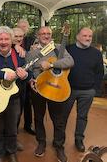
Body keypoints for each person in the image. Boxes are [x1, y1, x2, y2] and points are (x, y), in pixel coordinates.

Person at [0, 26, 31, 162]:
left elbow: (29, 74)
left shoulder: (18, 55)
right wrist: (3, 74)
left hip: (13, 99)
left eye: (6, 39)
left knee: (12, 129)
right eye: (0, 39)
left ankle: (11, 151)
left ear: (11, 40)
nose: (3, 42)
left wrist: (25, 75)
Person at [26, 26, 74, 162]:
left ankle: (59, 146)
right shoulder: (33, 51)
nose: (46, 36)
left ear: (52, 35)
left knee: (58, 120)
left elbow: (70, 61)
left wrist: (52, 65)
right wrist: (30, 80)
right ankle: (41, 143)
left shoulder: (59, 47)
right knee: (39, 118)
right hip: (38, 88)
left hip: (57, 88)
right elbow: (27, 68)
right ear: (38, 35)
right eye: (43, 33)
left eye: (48, 33)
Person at [65, 28, 104, 152]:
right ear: (77, 36)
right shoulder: (68, 49)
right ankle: (59, 140)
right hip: (68, 89)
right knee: (62, 116)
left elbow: (99, 73)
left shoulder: (96, 53)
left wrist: (95, 90)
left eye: (90, 36)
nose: (88, 38)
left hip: (87, 91)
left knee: (82, 117)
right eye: (85, 35)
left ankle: (78, 139)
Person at [16, 19, 36, 135]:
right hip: (17, 75)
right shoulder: (13, 39)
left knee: (28, 103)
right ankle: (14, 128)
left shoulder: (31, 40)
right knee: (17, 105)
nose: (23, 28)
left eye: (25, 27)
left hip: (29, 73)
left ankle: (28, 125)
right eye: (21, 26)